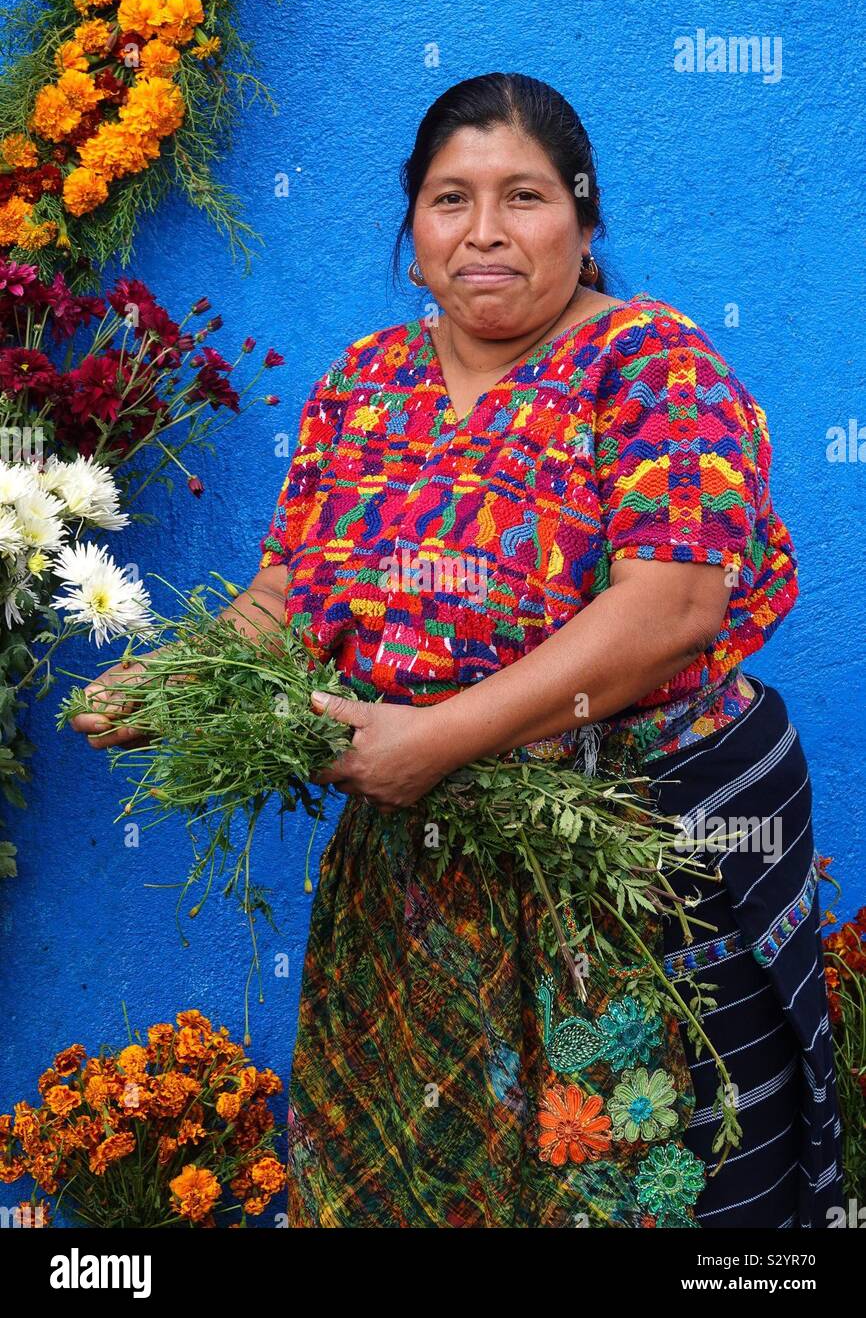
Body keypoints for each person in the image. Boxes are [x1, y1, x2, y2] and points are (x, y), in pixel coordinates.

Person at [72, 72, 842, 1229]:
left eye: (523, 196)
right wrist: (186, 682)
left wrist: (437, 738)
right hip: (424, 863)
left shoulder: (650, 366)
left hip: (629, 850)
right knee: (430, 1176)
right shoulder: (366, 385)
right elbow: (296, 588)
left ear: (585, 226)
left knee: (645, 1172)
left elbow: (671, 604)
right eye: (448, 199)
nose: (483, 231)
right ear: (411, 228)